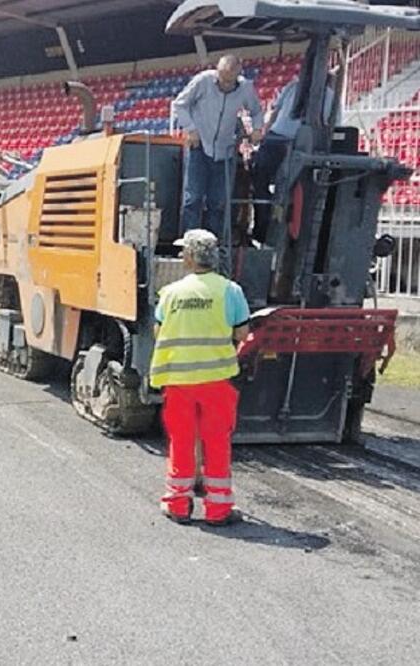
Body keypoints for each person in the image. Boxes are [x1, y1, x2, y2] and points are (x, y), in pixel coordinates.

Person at [150, 229, 250, 526]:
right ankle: (218, 510)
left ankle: (177, 505)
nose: (182, 256)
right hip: (216, 380)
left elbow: (158, 331)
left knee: (181, 441)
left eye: (183, 251)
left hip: (178, 380)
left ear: (190, 258)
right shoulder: (230, 291)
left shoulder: (171, 293)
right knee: (216, 442)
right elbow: (242, 333)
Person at [172, 54, 265, 238]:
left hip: (225, 151)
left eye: (229, 81)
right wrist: (191, 129)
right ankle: (190, 243)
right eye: (222, 79)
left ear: (238, 75)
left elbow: (256, 111)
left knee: (218, 202)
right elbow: (180, 105)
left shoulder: (245, 88)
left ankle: (213, 243)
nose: (224, 85)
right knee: (193, 198)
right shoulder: (203, 81)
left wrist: (257, 129)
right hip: (199, 147)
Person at [251, 74, 338, 242]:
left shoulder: (296, 87)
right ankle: (270, 226)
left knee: (265, 181)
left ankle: (267, 226)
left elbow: (274, 114)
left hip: (284, 140)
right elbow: (332, 128)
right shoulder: (325, 95)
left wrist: (267, 135)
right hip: (289, 142)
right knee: (271, 181)